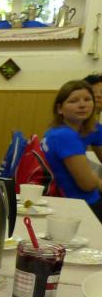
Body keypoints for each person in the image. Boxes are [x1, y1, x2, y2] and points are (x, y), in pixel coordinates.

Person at [42, 80, 102, 221]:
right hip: (80, 204)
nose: (82, 105)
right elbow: (87, 184)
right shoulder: (65, 136)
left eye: (87, 99)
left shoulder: (56, 131)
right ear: (59, 108)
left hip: (73, 201)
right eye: (73, 101)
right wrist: (95, 179)